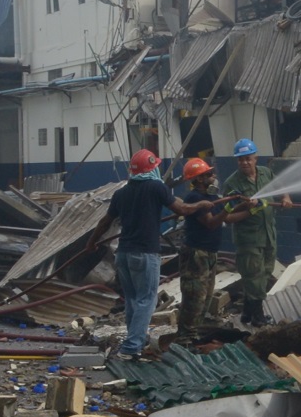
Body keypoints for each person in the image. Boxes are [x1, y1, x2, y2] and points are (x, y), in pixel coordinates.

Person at [87, 148, 210, 359]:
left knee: (133, 300)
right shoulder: (156, 187)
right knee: (147, 300)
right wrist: (202, 204)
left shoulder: (121, 193)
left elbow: (105, 221)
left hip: (123, 254)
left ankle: (137, 339)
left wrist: (91, 242)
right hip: (145, 253)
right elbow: (182, 209)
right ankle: (131, 346)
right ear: (151, 168)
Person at [221, 138, 292, 325]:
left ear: (256, 158)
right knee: (254, 277)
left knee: (266, 272)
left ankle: (247, 312)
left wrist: (285, 197)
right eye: (241, 159)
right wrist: (246, 206)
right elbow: (226, 214)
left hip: (268, 235)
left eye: (248, 158)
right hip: (249, 239)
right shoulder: (232, 183)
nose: (245, 162)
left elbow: (280, 185)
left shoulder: (265, 173)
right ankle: (258, 317)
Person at [175, 157, 233, 344]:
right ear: (199, 179)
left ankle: (194, 333)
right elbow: (210, 223)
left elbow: (229, 217)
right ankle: (185, 337)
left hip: (210, 252)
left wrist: (249, 208)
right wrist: (227, 209)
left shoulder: (213, 197)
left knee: (206, 297)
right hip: (196, 253)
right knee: (194, 296)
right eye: (209, 174)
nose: (213, 176)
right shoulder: (195, 198)